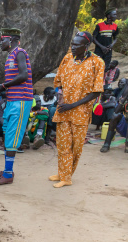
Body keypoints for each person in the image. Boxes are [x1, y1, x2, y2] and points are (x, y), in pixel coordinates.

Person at [50, 31, 104, 188]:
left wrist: (73, 105)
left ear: (86, 46)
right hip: (63, 110)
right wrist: (60, 97)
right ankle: (62, 174)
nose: (72, 47)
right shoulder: (67, 58)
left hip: (80, 112)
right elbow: (58, 81)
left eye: (76, 45)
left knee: (76, 146)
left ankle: (67, 176)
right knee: (62, 143)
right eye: (71, 44)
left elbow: (96, 91)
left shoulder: (97, 62)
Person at [0, 28, 33, 185]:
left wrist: (2, 86)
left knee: (13, 138)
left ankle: (8, 175)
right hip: (13, 100)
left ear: (12, 40)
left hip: (21, 100)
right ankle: (8, 170)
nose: (0, 42)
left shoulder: (19, 53)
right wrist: (0, 87)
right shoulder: (10, 56)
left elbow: (24, 75)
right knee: (8, 134)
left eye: (3, 39)